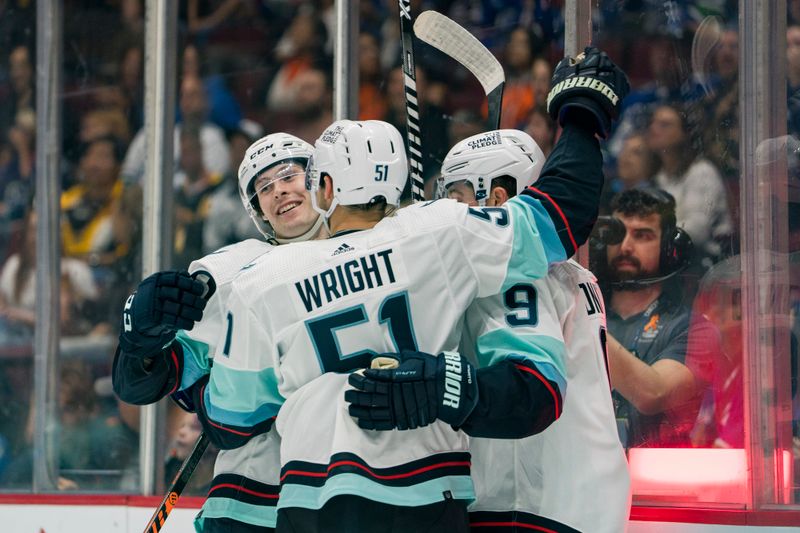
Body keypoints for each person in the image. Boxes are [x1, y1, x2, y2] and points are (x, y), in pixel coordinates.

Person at [204, 47, 629, 532]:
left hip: (311, 501)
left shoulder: (263, 277)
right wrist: (581, 115)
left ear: (324, 188)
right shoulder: (442, 232)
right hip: (430, 492)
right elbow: (561, 213)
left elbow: (228, 418)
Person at [113, 132, 325, 533]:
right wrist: (141, 336)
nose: (278, 191)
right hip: (252, 497)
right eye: (264, 187)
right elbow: (138, 383)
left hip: (347, 492)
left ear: (322, 180)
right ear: (256, 207)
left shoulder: (373, 253)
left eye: (288, 176)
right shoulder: (236, 270)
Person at [437, 129, 630, 532]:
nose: (447, 209)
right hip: (586, 496)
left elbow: (527, 387)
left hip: (528, 502)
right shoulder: (575, 273)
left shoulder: (508, 275)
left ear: (498, 199)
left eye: (456, 195)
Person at [596, 188, 701, 448]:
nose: (625, 246)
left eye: (642, 235)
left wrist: (580, 319)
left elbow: (653, 393)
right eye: (617, 234)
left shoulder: (691, 327)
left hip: (659, 479)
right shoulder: (590, 314)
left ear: (668, 248)